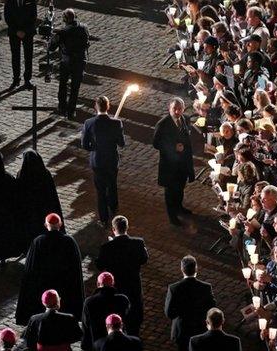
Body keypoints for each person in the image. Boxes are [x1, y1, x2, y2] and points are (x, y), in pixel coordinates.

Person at [15, 213, 84, 325]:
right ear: (60, 224)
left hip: (44, 284)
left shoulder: (38, 241)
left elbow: (31, 269)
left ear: (46, 225)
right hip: (64, 284)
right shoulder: (69, 241)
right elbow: (75, 268)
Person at [95, 215, 149, 336]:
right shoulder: (138, 243)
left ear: (114, 230)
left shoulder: (106, 247)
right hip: (133, 288)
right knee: (134, 324)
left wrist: (110, 245)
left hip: (116, 289)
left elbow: (99, 265)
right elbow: (144, 259)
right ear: (127, 227)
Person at [81, 96, 126, 225]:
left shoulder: (89, 123)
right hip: (112, 160)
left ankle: (104, 218)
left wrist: (94, 148)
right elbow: (121, 143)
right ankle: (113, 206)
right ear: (108, 106)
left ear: (96, 107)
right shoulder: (116, 123)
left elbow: (84, 145)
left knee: (100, 190)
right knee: (112, 184)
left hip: (98, 161)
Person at [153, 98, 195, 226]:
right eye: (174, 109)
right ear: (169, 109)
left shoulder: (185, 119)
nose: (177, 112)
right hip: (170, 165)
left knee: (180, 188)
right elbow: (156, 143)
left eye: (179, 109)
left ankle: (179, 207)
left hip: (182, 163)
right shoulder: (163, 124)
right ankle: (172, 216)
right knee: (170, 191)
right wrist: (173, 147)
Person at [164, 255, 216, 351]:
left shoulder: (174, 288)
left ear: (182, 269)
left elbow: (169, 313)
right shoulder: (206, 287)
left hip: (182, 331)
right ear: (196, 269)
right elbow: (212, 308)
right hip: (200, 329)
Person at [16, 150, 64, 252]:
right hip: (44, 208)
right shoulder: (45, 173)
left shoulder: (21, 174)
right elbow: (51, 193)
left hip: (29, 211)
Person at [49, 8, 89, 119]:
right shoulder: (83, 28)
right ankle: (71, 111)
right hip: (80, 61)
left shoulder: (63, 32)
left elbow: (52, 47)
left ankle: (62, 107)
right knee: (75, 88)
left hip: (67, 61)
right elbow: (86, 43)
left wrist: (53, 36)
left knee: (63, 85)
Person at [81, 272, 130, 351]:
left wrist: (85, 344)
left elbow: (86, 325)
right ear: (113, 283)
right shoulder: (122, 300)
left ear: (98, 284)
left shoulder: (89, 302)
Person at [3, 0, 37, 89]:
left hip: (28, 33)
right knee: (15, 56)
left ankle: (27, 79)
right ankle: (16, 79)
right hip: (14, 33)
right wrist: (16, 31)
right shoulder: (9, 2)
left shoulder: (31, 1)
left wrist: (25, 31)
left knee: (28, 56)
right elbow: (7, 18)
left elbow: (33, 17)